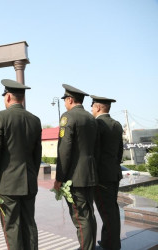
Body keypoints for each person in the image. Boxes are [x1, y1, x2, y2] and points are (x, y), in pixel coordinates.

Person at [0, 79, 42, 250]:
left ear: (8, 97)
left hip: (8, 185)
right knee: (29, 225)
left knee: (12, 228)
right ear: (21, 99)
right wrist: (32, 174)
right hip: (29, 182)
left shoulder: (0, 117)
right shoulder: (35, 120)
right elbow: (37, 155)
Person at [53, 84, 98, 250]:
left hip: (75, 177)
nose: (65, 103)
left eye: (65, 100)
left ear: (70, 99)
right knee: (89, 214)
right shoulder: (91, 118)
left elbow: (64, 150)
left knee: (80, 217)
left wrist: (59, 178)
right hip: (90, 174)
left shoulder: (68, 117)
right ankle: (90, 246)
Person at [91, 95, 123, 250]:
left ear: (97, 107)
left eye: (92, 107)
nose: (91, 110)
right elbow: (119, 152)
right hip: (114, 173)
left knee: (107, 212)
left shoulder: (97, 124)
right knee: (112, 209)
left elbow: (94, 152)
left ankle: (111, 245)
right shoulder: (116, 124)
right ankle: (107, 241)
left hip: (101, 176)